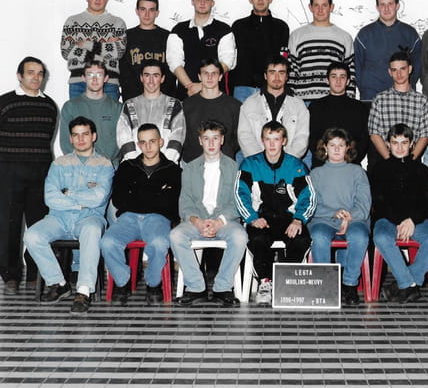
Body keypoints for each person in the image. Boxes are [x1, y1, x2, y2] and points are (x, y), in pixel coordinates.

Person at [0, 56, 58, 295]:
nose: (36, 77)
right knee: (9, 226)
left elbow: (46, 139)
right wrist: (7, 155)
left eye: (40, 73)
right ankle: (10, 276)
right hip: (10, 171)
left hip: (41, 173)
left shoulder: (49, 105)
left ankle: (35, 272)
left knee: (39, 225)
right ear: (19, 76)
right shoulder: (4, 102)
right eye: (31, 72)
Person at [23, 116, 114, 315]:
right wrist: (81, 201)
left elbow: (99, 197)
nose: (80, 139)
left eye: (85, 134)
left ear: (93, 136)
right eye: (76, 135)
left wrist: (69, 193)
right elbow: (50, 198)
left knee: (92, 230)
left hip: (90, 218)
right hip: (59, 218)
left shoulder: (105, 164)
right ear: (70, 138)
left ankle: (83, 291)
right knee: (32, 236)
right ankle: (59, 283)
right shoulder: (59, 164)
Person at [100, 124, 181, 306]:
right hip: (128, 217)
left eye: (152, 141)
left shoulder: (173, 170)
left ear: (161, 142)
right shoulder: (127, 167)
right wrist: (157, 193)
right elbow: (119, 199)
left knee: (159, 243)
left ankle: (153, 285)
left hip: (158, 218)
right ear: (138, 145)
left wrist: (138, 195)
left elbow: (172, 204)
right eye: (143, 142)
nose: (148, 146)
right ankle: (123, 282)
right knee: (107, 242)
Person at [235, 121, 316, 304]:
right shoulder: (249, 164)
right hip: (261, 217)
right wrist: (252, 218)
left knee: (301, 239)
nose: (272, 144)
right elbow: (240, 194)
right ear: (262, 140)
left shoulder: (296, 166)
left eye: (276, 139)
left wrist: (299, 219)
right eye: (268, 139)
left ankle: (286, 281)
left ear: (284, 141)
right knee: (257, 238)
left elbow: (308, 197)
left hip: (289, 218)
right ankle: (265, 282)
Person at [170, 120, 247, 306]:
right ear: (200, 141)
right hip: (198, 220)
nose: (211, 143)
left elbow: (237, 201)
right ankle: (196, 287)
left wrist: (219, 222)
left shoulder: (235, 168)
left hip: (225, 221)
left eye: (215, 138)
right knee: (176, 235)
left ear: (222, 140)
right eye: (206, 138)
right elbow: (185, 202)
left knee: (240, 237)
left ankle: (223, 288)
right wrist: (197, 222)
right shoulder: (189, 169)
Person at [369, 123, 428, 303]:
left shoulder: (423, 171)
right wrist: (400, 221)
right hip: (387, 220)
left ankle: (404, 284)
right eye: (395, 143)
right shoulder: (378, 170)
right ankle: (410, 284)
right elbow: (379, 203)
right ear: (388, 144)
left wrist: (411, 220)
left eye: (404, 142)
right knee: (382, 237)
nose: (399, 147)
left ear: (412, 144)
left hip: (416, 221)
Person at [307, 128, 371, 305]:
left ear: (348, 148)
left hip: (354, 219)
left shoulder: (357, 171)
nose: (336, 149)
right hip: (324, 219)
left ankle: (349, 284)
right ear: (324, 147)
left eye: (341, 145)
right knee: (319, 236)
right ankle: (325, 285)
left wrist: (349, 217)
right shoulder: (316, 174)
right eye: (332, 145)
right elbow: (312, 204)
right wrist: (334, 214)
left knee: (359, 236)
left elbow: (364, 202)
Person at [60, 0, 126, 100]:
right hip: (79, 82)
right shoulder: (72, 21)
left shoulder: (118, 23)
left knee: (109, 113)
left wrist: (86, 44)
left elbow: (119, 52)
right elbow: (66, 51)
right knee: (77, 114)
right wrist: (104, 48)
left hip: (109, 82)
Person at [167, 0, 236, 99]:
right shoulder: (178, 30)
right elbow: (174, 63)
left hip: (216, 96)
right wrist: (190, 87)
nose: (202, 3)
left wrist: (201, 86)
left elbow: (227, 62)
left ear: (212, 3)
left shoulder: (224, 30)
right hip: (187, 94)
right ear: (192, 2)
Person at [367, 51, 428, 171]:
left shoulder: (421, 100)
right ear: (389, 72)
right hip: (385, 162)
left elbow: (425, 135)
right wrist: (390, 161)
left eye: (402, 69)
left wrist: (410, 161)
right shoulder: (380, 99)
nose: (399, 74)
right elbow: (374, 134)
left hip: (412, 162)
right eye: (394, 70)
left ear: (410, 69)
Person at [354, 0, 422, 102]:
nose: (386, 8)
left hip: (403, 97)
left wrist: (409, 83)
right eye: (382, 4)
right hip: (371, 97)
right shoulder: (365, 34)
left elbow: (418, 63)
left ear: (397, 6)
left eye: (390, 4)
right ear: (377, 7)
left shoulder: (409, 33)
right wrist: (364, 87)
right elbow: (357, 64)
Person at [287, 0, 355, 101]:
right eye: (316, 5)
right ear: (310, 7)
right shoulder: (296, 35)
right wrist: (290, 101)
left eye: (324, 5)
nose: (320, 10)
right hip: (303, 102)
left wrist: (349, 101)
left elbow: (350, 74)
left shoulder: (344, 37)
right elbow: (291, 72)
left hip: (334, 101)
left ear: (331, 7)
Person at [237, 55, 309, 160]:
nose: (277, 77)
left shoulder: (299, 105)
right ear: (265, 75)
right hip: (257, 164)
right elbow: (244, 136)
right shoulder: (250, 103)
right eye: (272, 72)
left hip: (289, 164)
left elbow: (302, 137)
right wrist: (261, 160)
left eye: (281, 73)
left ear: (287, 76)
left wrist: (286, 161)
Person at [230, 0, 290, 103]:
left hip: (271, 87)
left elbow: (283, 60)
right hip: (243, 87)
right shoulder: (238, 26)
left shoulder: (281, 27)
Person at [117, 59, 185, 163]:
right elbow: (123, 136)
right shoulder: (129, 105)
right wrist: (137, 164)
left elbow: (178, 136)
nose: (151, 80)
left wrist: (162, 164)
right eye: (147, 75)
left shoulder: (174, 104)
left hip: (166, 166)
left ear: (162, 78)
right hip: (135, 166)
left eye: (156, 76)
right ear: (141, 78)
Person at [59, 61, 122, 166]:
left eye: (99, 75)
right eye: (90, 75)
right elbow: (65, 142)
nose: (94, 79)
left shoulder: (117, 108)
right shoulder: (70, 107)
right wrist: (82, 162)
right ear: (83, 78)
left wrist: (103, 163)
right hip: (79, 167)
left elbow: (120, 141)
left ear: (106, 78)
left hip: (109, 166)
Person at [308, 62, 369, 169]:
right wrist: (326, 158)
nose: (338, 81)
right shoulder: (315, 107)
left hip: (351, 165)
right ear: (327, 80)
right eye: (334, 76)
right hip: (322, 166)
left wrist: (349, 158)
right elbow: (312, 139)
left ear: (348, 81)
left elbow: (363, 140)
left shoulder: (359, 108)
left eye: (342, 77)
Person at [119, 0, 177, 100]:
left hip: (163, 100)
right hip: (133, 99)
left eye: (151, 10)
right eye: (143, 9)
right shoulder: (126, 36)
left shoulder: (168, 37)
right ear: (137, 11)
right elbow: (124, 72)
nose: (147, 14)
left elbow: (172, 72)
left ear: (157, 13)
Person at [182, 58, 241, 163]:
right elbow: (182, 136)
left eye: (214, 73)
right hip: (193, 164)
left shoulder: (234, 106)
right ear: (199, 76)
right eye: (205, 73)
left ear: (220, 76)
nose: (210, 77)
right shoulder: (187, 105)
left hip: (224, 164)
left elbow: (238, 138)